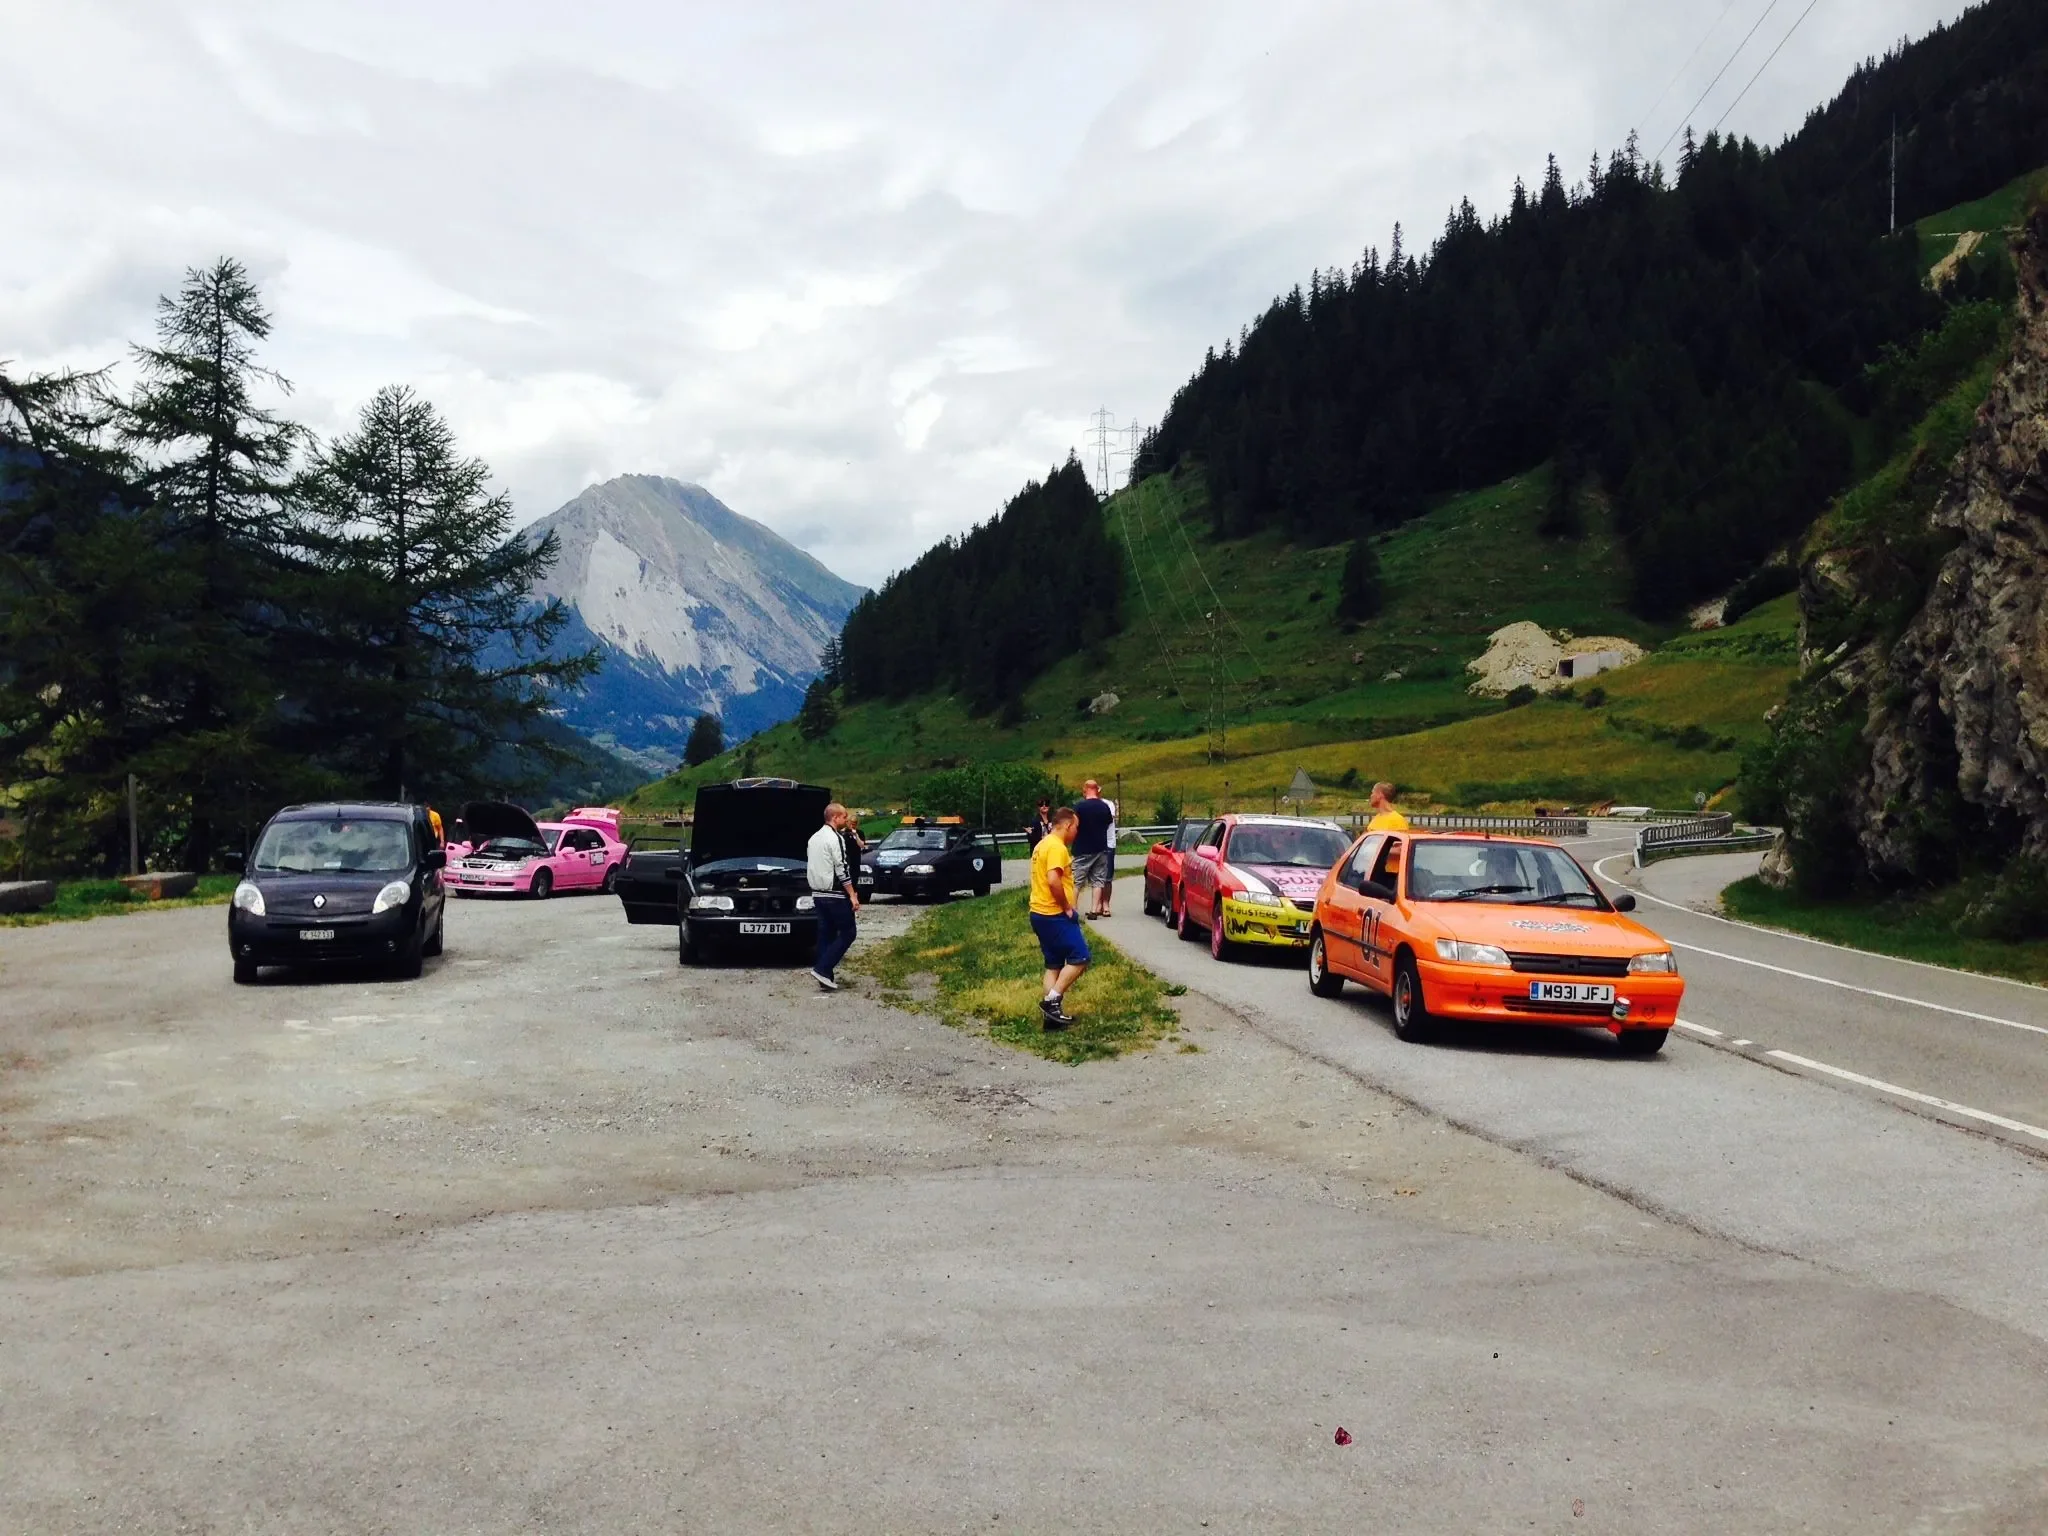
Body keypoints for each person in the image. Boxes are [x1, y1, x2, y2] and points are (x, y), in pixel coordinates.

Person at [1029, 807, 1087, 1028]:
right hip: (1054, 914)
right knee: (1080, 957)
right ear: (1067, 825)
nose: (1077, 832)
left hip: (1038, 913)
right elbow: (1054, 880)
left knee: (1053, 964)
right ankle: (1051, 1002)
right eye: (1076, 827)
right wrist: (1067, 908)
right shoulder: (1056, 847)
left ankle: (1051, 1020)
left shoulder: (1041, 844)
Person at [805, 802, 861, 991]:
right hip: (834, 893)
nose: (846, 820)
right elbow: (842, 868)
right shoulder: (835, 838)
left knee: (826, 933)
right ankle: (823, 968)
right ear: (835, 817)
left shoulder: (813, 838)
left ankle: (825, 978)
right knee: (848, 932)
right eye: (844, 817)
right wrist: (852, 894)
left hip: (817, 893)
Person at [1070, 779, 1115, 920]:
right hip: (1101, 848)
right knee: (1098, 880)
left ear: (1086, 789)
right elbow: (1108, 823)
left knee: (1077, 880)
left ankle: (1073, 908)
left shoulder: (1079, 807)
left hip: (1082, 848)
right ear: (1097, 790)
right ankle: (1094, 910)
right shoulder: (1104, 807)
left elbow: (1074, 825)